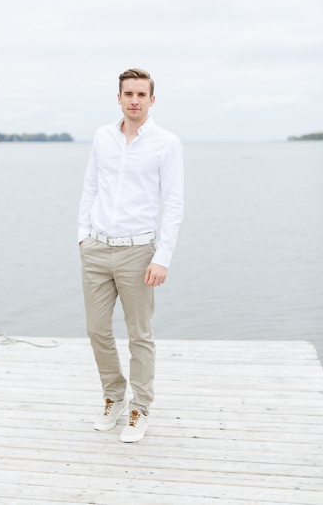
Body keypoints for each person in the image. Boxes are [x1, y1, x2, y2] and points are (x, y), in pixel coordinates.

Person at [77, 68, 183, 443]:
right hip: (97, 249)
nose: (134, 100)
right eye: (128, 94)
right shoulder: (102, 138)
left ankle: (141, 407)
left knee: (140, 335)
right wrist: (82, 237)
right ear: (119, 98)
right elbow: (90, 188)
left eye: (141, 94)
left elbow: (172, 203)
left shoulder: (166, 143)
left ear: (151, 100)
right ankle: (113, 397)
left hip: (139, 252)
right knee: (96, 329)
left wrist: (163, 256)